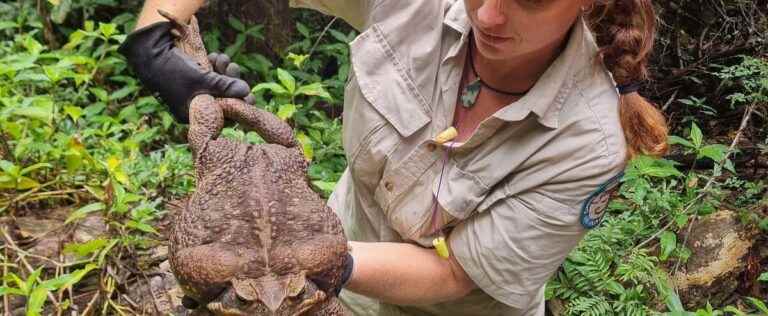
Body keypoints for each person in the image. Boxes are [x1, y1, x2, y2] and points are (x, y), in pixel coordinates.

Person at [119, 0, 668, 315]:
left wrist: (315, 261)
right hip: (329, 284)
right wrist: (156, 37)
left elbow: (456, 274)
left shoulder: (589, 143)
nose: (492, 15)